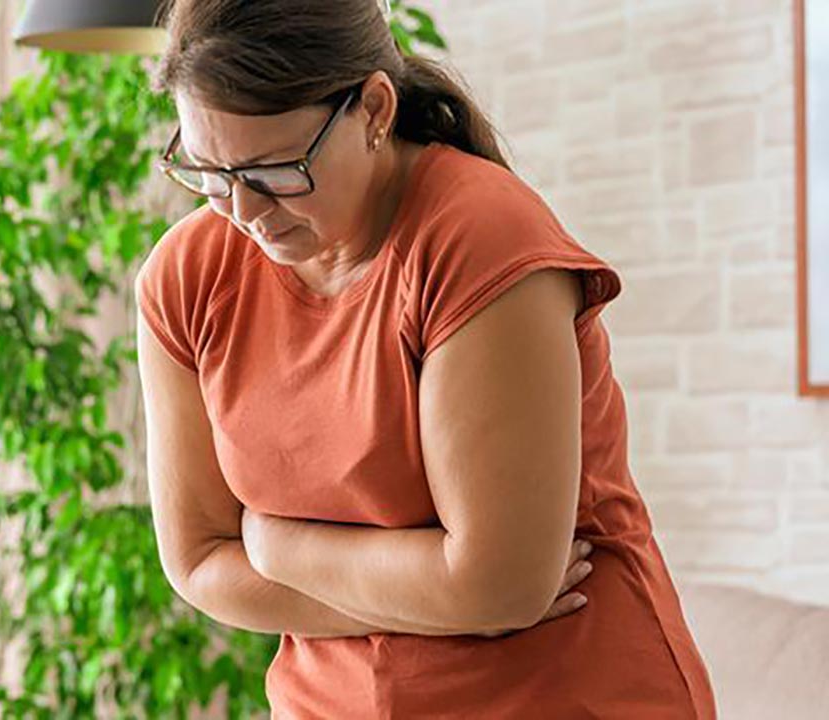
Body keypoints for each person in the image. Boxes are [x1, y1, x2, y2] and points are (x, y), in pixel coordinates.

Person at [134, 1, 716, 718]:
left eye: (275, 170)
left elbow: (498, 584)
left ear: (374, 109)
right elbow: (196, 564)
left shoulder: (480, 239)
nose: (243, 211)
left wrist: (274, 543)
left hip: (562, 695)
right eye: (210, 171)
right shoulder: (186, 278)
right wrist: (438, 595)